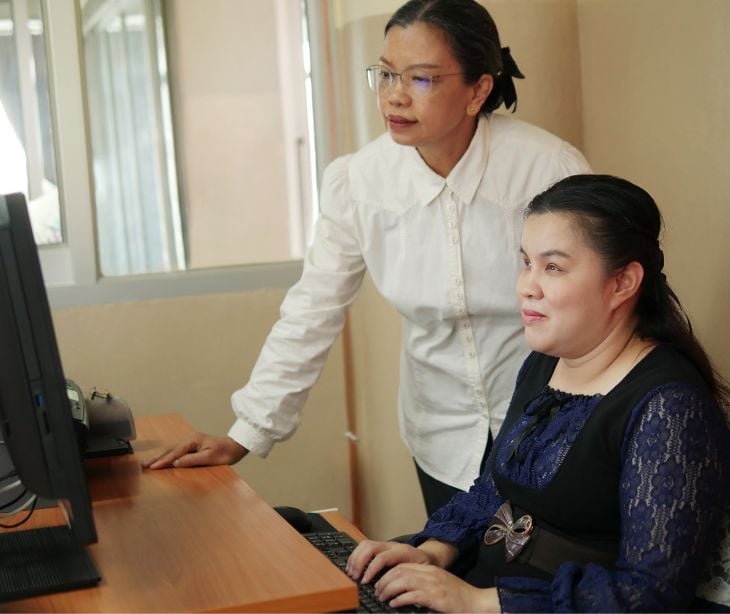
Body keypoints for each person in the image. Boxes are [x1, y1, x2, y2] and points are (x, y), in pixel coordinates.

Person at [143, 0, 591, 516]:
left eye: (420, 79)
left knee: (546, 588)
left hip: (552, 419)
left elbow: (597, 304)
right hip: (442, 438)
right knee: (454, 576)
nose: (394, 96)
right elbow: (313, 310)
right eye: (385, 74)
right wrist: (246, 433)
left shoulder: (546, 168)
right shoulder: (359, 183)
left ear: (478, 90)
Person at [345, 174, 730, 613]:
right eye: (526, 262)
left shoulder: (669, 407)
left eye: (553, 267)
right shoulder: (545, 363)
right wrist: (433, 552)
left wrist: (477, 602)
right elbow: (494, 490)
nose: (527, 285)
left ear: (623, 282)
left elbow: (650, 594)